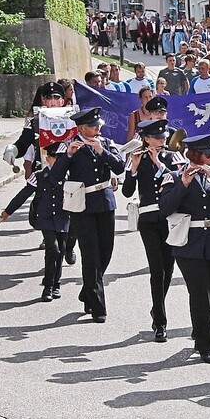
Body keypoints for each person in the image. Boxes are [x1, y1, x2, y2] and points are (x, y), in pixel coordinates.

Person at [158, 132, 210, 363]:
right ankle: (206, 346)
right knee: (199, 293)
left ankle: (200, 326)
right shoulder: (173, 175)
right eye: (209, 155)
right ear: (196, 155)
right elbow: (165, 208)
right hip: (189, 242)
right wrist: (183, 183)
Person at [51, 107, 126, 323]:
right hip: (82, 205)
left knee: (106, 252)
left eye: (98, 125)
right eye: (93, 126)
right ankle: (98, 305)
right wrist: (68, 155)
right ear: (82, 128)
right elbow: (55, 176)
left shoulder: (106, 143)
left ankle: (88, 291)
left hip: (104, 202)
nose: (97, 128)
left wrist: (103, 152)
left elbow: (120, 167)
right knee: (90, 254)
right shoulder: (69, 145)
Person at [122, 119, 185, 342]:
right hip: (148, 219)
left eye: (163, 137)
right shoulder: (137, 159)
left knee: (168, 269)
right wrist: (133, 168)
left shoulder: (172, 158)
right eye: (157, 138)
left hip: (170, 219)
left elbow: (180, 183)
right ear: (146, 139)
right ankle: (160, 321)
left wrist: (159, 163)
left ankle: (157, 307)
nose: (162, 140)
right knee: (156, 270)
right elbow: (127, 192)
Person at [0, 142, 70, 302]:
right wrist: (8, 211)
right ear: (48, 158)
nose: (59, 161)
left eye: (62, 159)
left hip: (63, 216)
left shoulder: (69, 176)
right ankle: (48, 287)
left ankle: (56, 283)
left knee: (61, 250)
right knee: (53, 249)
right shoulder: (39, 176)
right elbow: (24, 193)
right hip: (45, 218)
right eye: (56, 158)